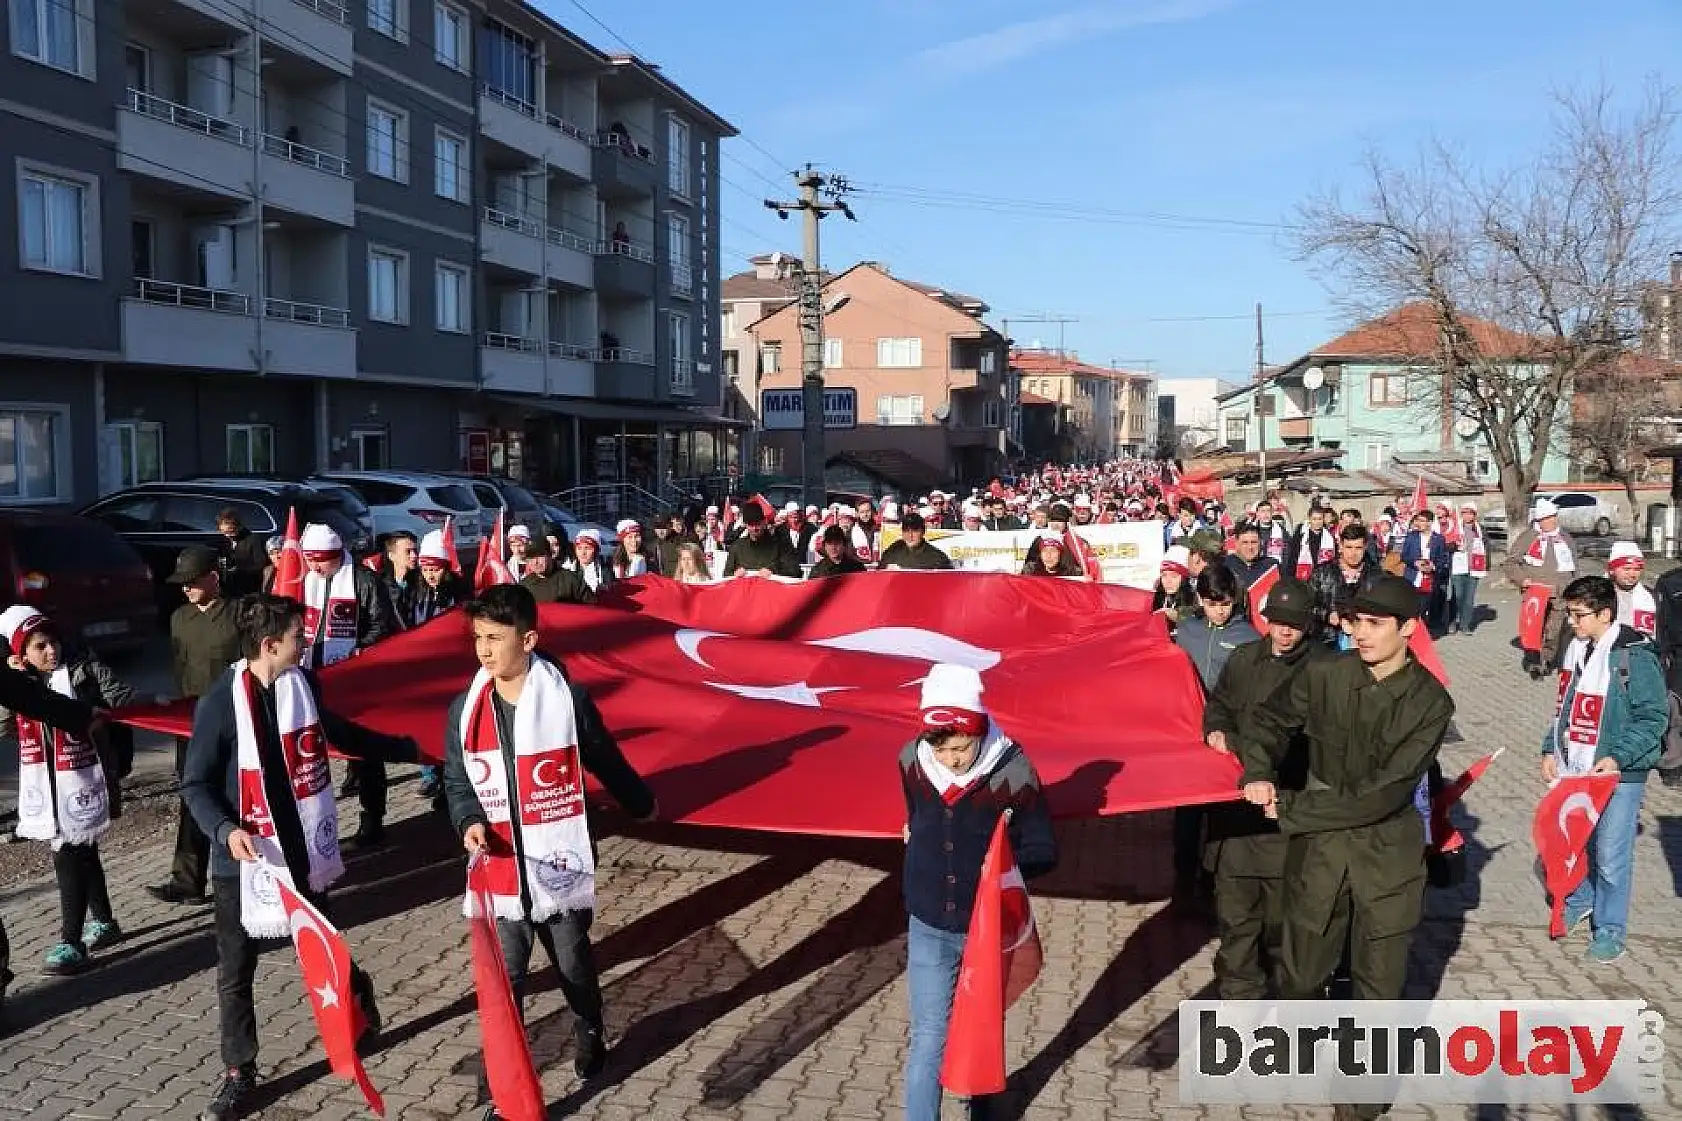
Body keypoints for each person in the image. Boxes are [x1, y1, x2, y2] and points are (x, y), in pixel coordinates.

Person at [181, 594, 418, 1121]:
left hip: (302, 848)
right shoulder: (220, 702)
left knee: (323, 946)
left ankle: (356, 1001)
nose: (306, 643)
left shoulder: (302, 686)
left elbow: (339, 733)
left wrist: (406, 748)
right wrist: (224, 830)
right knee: (235, 969)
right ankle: (239, 1073)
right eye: (297, 636)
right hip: (242, 860)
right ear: (270, 645)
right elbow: (195, 783)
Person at [1232, 575, 1453, 1121]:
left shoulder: (1431, 703)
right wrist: (1258, 769)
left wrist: (1291, 809)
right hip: (1322, 853)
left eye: (1375, 623)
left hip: (1386, 855)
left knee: (1378, 989)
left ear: (1408, 628)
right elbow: (1268, 720)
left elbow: (1383, 794)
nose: (1361, 633)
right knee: (1302, 972)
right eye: (1355, 621)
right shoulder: (1326, 673)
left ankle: (1360, 1100)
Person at [441, 585, 657, 1113]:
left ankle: (589, 1026)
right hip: (499, 868)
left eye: (495, 639)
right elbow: (457, 780)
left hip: (557, 863)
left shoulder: (566, 699)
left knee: (572, 963)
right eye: (478, 639)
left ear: (529, 640)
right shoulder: (466, 709)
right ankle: (509, 1091)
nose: (484, 650)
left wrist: (640, 804)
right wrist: (469, 820)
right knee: (507, 981)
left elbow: (604, 756)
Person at [899, 663, 1056, 1121]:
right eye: (941, 748)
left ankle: (982, 1111)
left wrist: (1005, 865)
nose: (951, 759)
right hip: (928, 920)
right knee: (929, 1036)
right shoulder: (911, 760)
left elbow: (1044, 848)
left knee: (981, 1033)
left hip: (985, 933)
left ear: (980, 729)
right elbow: (917, 814)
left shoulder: (1014, 771)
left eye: (961, 747)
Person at [1200, 581, 1327, 999]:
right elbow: (1219, 704)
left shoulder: (1323, 669)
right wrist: (1216, 728)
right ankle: (1239, 999)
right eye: (1278, 622)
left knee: (1281, 924)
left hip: (1286, 815)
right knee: (1236, 920)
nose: (1285, 632)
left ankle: (1286, 999)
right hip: (1236, 816)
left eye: (1295, 624)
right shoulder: (1244, 659)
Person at [0, 606, 133, 975]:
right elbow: (4, 728)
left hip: (85, 780)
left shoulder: (82, 670)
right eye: (40, 647)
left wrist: (147, 706)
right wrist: (13, 685)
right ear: (21, 654)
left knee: (69, 854)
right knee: (83, 851)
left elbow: (122, 698)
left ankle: (71, 942)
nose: (51, 651)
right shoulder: (20, 685)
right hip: (46, 786)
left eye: (53, 642)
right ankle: (104, 921)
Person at [1542, 575, 1666, 963]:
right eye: (1570, 613)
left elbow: (1653, 718)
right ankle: (1583, 898)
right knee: (1577, 843)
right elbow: (1565, 706)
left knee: (1611, 855)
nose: (1572, 622)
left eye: (1579, 615)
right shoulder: (1578, 649)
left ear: (1605, 614)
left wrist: (1618, 757)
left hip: (1619, 773)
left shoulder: (1634, 656)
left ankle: (1611, 928)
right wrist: (1549, 748)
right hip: (1578, 767)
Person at [148, 546, 241, 907]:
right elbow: (180, 667)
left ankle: (235, 874)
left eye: (192, 581)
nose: (185, 588)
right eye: (181, 583)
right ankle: (187, 879)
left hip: (232, 722)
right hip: (191, 723)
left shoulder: (238, 614)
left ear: (213, 578)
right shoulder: (179, 618)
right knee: (193, 795)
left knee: (231, 797)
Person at [299, 523, 400, 847]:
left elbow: (381, 624)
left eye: (321, 561)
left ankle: (372, 818)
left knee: (366, 752)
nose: (315, 568)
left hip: (353, 681)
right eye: (310, 561)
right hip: (310, 675)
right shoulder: (304, 580)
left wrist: (358, 649)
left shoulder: (363, 580)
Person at [1172, 565, 1261, 912]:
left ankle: (1211, 886)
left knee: (1221, 818)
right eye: (1212, 604)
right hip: (1190, 738)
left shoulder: (1248, 637)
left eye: (1225, 604)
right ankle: (1182, 884)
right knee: (1187, 817)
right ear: (1200, 599)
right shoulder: (1186, 631)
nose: (1219, 611)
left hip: (1226, 738)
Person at [1502, 498, 1578, 679]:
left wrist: (1576, 587)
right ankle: (1533, 660)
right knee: (1534, 628)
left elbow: (1575, 565)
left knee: (1555, 629)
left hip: (1561, 592)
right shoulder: (1529, 537)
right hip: (1536, 593)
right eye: (1546, 518)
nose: (1551, 521)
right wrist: (1522, 580)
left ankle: (1546, 660)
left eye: (1553, 517)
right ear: (1539, 520)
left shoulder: (1565, 538)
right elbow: (1510, 563)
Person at [1309, 524, 1382, 649]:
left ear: (1365, 547)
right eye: (1349, 547)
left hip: (1365, 642)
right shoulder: (1321, 572)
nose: (1353, 553)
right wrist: (1327, 615)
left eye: (1358, 548)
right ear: (1340, 546)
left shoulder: (1376, 574)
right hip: (1326, 642)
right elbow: (1306, 604)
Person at [1399, 511, 1450, 631]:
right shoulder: (1411, 537)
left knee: (1423, 607)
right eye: (1418, 520)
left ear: (1430, 522)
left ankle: (1420, 631)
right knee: (1410, 608)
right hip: (1412, 577)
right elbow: (1404, 556)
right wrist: (1415, 563)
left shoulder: (1439, 539)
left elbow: (1443, 559)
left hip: (1428, 580)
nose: (1418, 523)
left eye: (1422, 521)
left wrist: (1433, 566)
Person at [723, 502, 800, 578]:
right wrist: (735, 573)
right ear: (745, 525)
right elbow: (726, 574)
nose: (754, 528)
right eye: (751, 525)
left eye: (757, 524)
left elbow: (795, 571)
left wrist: (774, 571)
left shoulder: (780, 545)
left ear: (764, 522)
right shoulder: (737, 546)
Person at [1446, 501, 1489, 635]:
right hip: (1458, 567)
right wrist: (1456, 546)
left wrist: (1486, 565)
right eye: (1464, 513)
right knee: (1457, 596)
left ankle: (1465, 625)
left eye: (1470, 513)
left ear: (1474, 515)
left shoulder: (1480, 529)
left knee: (1469, 599)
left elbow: (1486, 547)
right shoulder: (1455, 527)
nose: (1467, 516)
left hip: (1474, 568)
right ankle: (1453, 621)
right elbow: (1447, 544)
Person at [521, 533, 597, 606]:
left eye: (539, 556)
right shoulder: (524, 586)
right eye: (530, 558)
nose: (535, 562)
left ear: (550, 555)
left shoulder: (571, 580)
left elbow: (593, 608)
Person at [217, 508, 270, 597]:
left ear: (239, 526)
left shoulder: (253, 539)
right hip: (229, 587)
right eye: (223, 532)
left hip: (248, 588)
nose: (227, 535)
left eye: (231, 531)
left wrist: (238, 570)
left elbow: (261, 564)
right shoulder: (224, 541)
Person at [1606, 541, 1655, 637]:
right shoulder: (1599, 594)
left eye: (1636, 569)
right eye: (1627, 569)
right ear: (1612, 570)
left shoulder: (1650, 596)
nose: (1632, 574)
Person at [878, 512, 953, 571]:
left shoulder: (937, 558)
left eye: (915, 531)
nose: (910, 535)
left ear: (923, 531)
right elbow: (879, 575)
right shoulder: (893, 551)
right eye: (906, 530)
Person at [1151, 544, 1198, 632]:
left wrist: (1177, 617)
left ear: (1184, 579)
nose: (1168, 581)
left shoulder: (1194, 599)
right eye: (1164, 575)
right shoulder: (1156, 598)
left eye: (1174, 576)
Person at [1285, 505, 1336, 583]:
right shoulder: (1301, 535)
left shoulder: (1329, 538)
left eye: (1320, 519)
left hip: (1322, 577)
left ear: (1323, 519)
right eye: (1314, 519)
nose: (1317, 522)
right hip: (1303, 576)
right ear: (1309, 519)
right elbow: (1293, 557)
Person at [1223, 522, 1279, 591]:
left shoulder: (1272, 566)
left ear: (1261, 543)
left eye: (1254, 542)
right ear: (1237, 544)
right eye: (1245, 542)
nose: (1250, 547)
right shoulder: (1225, 565)